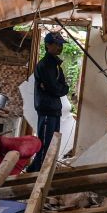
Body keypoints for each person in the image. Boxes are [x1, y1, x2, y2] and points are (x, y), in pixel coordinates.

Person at [29, 31, 69, 172]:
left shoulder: (55, 64)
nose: (60, 47)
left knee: (51, 144)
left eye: (61, 45)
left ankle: (39, 171)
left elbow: (63, 88)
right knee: (45, 144)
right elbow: (55, 88)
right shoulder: (45, 65)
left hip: (53, 109)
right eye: (57, 44)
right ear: (48, 45)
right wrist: (59, 88)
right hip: (47, 109)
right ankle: (37, 174)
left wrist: (60, 88)